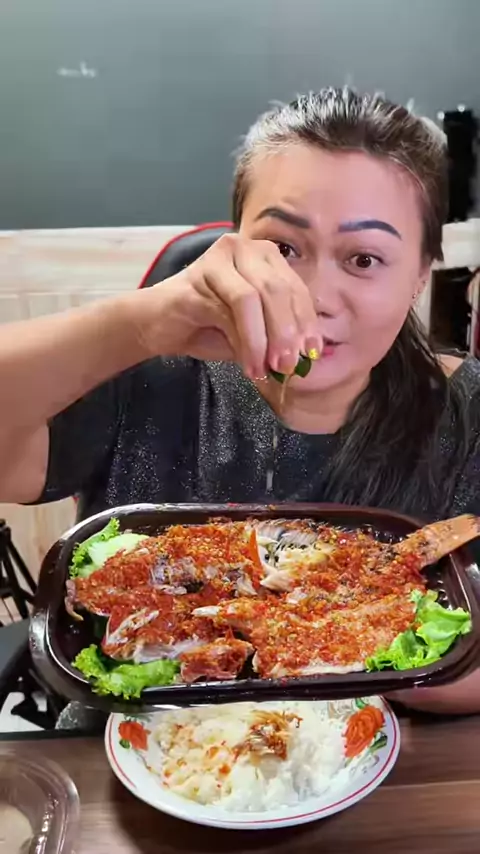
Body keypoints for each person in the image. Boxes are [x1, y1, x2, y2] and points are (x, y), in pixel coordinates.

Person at [1, 88, 479, 714]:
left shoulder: (465, 413)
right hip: (123, 752)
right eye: (282, 248)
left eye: (364, 258)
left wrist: (316, 635)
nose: (314, 297)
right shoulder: (147, 374)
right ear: (232, 244)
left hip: (384, 759)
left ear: (419, 274)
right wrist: (136, 326)